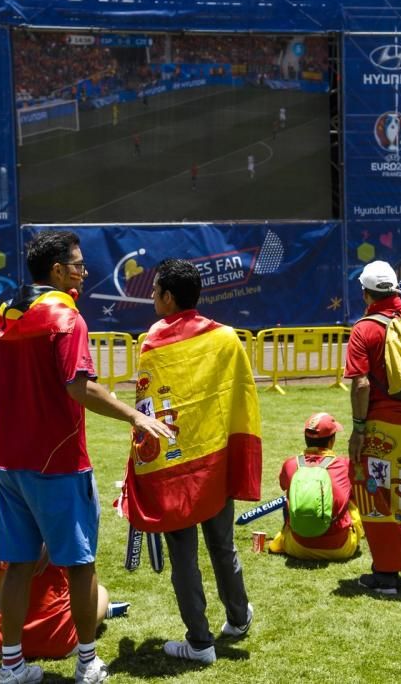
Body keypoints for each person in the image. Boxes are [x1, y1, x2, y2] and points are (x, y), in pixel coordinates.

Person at [0, 230, 172, 684]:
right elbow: (79, 386)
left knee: (19, 565)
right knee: (81, 566)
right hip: (59, 464)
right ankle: (87, 663)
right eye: (79, 265)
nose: (84, 273)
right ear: (57, 271)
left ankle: (12, 667)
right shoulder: (66, 319)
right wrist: (135, 418)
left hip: (8, 463)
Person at [120, 258, 262, 664]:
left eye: (154, 291)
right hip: (215, 458)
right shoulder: (226, 338)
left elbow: (148, 407)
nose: (151, 297)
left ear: (168, 296)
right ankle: (237, 619)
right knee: (223, 545)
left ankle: (199, 642)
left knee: (183, 553)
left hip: (172, 464)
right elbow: (240, 399)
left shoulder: (153, 342)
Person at [345, 260, 401, 595]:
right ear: (396, 289)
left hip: (383, 430)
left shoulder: (364, 329)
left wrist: (358, 428)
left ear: (365, 293)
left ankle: (387, 575)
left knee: (378, 495)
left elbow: (361, 385)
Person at [0, 544, 129, 659]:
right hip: (65, 642)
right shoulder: (63, 538)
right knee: (100, 591)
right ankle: (93, 614)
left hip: (9, 643)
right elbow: (76, 586)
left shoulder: (5, 536)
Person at [268, 412, 363, 560]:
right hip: (341, 548)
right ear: (332, 440)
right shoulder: (344, 465)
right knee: (352, 497)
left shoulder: (291, 464)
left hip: (297, 547)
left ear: (306, 439)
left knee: (289, 497)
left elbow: (283, 485)